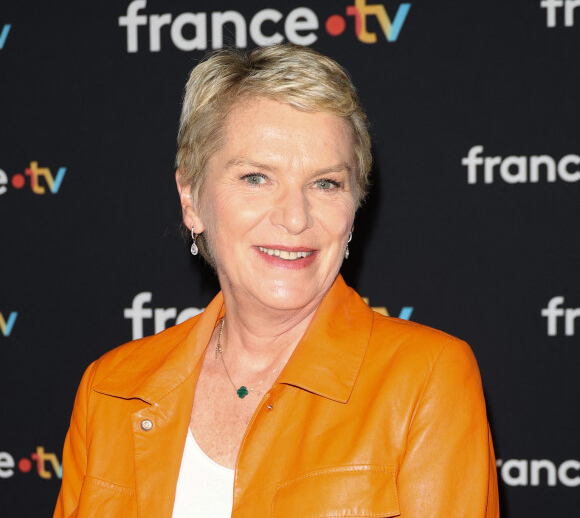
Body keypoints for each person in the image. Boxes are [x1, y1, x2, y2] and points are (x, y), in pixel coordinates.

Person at [55, 44, 499, 517]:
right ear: (191, 197)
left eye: (326, 183)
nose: (294, 218)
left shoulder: (426, 378)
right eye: (256, 177)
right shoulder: (111, 390)